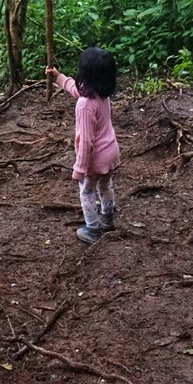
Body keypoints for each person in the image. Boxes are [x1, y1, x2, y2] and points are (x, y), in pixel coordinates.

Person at [46, 47, 121, 244]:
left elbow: (85, 141)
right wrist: (59, 78)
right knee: (105, 185)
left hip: (95, 157)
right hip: (111, 151)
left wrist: (80, 169)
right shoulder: (102, 93)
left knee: (87, 191)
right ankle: (107, 218)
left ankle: (93, 229)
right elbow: (77, 89)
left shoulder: (85, 105)